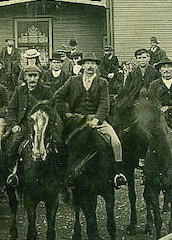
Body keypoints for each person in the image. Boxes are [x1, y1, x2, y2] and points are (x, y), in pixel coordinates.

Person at [53, 52, 127, 188]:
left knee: (116, 142)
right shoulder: (73, 81)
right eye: (87, 63)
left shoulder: (102, 82)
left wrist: (97, 119)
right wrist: (66, 115)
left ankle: (118, 174)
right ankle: (62, 176)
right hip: (76, 121)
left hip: (96, 119)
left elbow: (105, 103)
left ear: (97, 67)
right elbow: (58, 96)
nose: (90, 66)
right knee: (59, 143)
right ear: (82, 65)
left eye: (93, 64)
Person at [5, 65, 54, 186]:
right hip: (24, 125)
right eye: (29, 76)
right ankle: (13, 173)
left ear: (39, 77)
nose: (32, 79)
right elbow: (11, 110)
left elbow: (52, 108)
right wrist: (14, 125)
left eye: (35, 76)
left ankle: (59, 178)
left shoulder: (46, 90)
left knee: (57, 144)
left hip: (42, 125)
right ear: (25, 77)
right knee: (13, 144)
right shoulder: (19, 90)